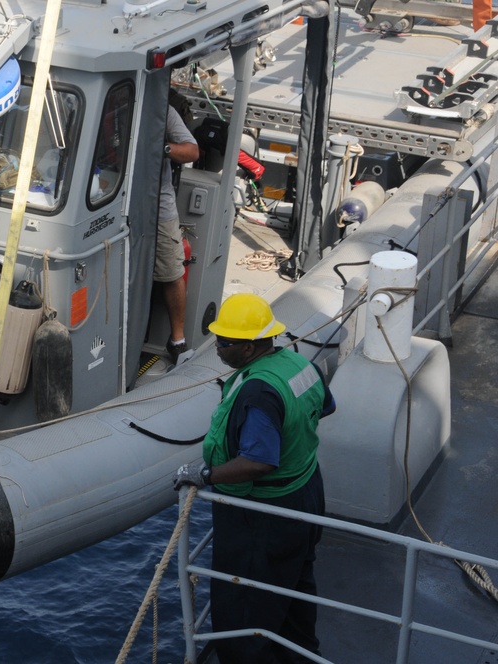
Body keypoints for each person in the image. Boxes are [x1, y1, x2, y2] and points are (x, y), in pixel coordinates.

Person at [173, 293, 335, 663]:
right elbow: (325, 406)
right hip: (307, 493)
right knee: (296, 585)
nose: (217, 348)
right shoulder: (297, 363)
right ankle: (301, 655)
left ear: (249, 348)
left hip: (266, 515)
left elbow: (260, 462)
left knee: (243, 606)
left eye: (226, 342)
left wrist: (203, 474)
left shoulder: (258, 391)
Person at [157, 103, 201, 363]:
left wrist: (162, 147)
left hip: (159, 210)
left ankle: (178, 341)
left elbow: (192, 151)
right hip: (116, 204)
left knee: (173, 273)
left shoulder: (162, 109)